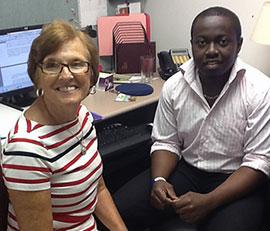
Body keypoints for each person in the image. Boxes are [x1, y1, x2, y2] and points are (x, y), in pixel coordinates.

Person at [114, 6, 270, 231]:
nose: (211, 50)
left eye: (222, 42)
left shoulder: (260, 90)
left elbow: (258, 162)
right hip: (187, 170)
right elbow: (166, 142)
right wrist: (159, 180)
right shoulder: (174, 86)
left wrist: (209, 202)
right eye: (202, 42)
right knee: (119, 209)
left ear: (239, 45)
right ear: (192, 44)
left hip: (236, 180)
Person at [1, 20, 127, 231]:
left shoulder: (82, 116)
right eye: (52, 65)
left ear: (91, 74)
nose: (66, 75)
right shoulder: (27, 149)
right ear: (37, 76)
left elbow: (98, 187)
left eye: (77, 63)